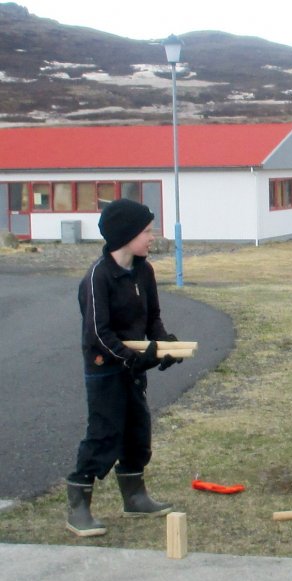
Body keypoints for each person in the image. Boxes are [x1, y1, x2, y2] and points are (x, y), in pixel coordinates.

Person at [66, 199, 181, 537]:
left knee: (137, 431)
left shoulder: (144, 270)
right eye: (146, 231)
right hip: (105, 368)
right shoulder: (98, 277)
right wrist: (130, 358)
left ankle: (135, 497)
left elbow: (152, 318)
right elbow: (97, 333)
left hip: (132, 368)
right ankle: (78, 507)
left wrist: (164, 345)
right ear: (126, 235)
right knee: (105, 434)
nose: (151, 236)